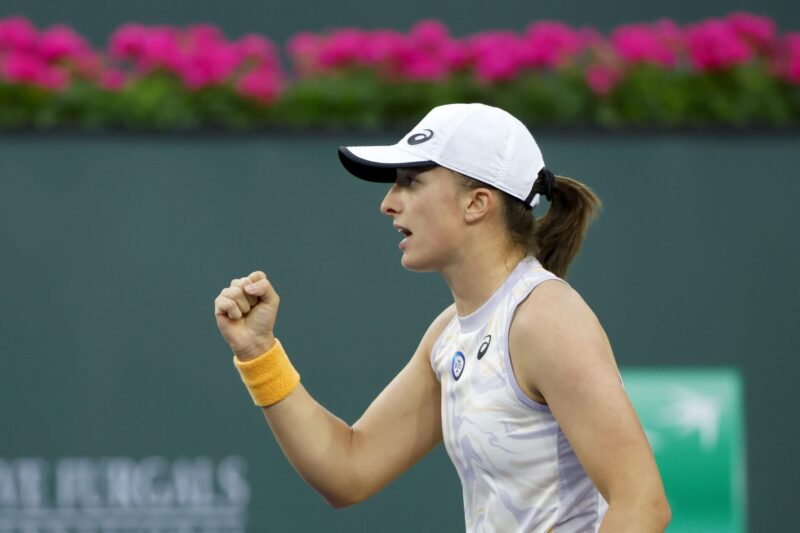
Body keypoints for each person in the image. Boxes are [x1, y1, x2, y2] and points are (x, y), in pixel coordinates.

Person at [214, 103, 670, 532]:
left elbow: (642, 502)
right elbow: (348, 469)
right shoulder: (448, 335)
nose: (388, 203)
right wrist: (259, 354)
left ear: (477, 203)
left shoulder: (546, 318)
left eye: (411, 182)